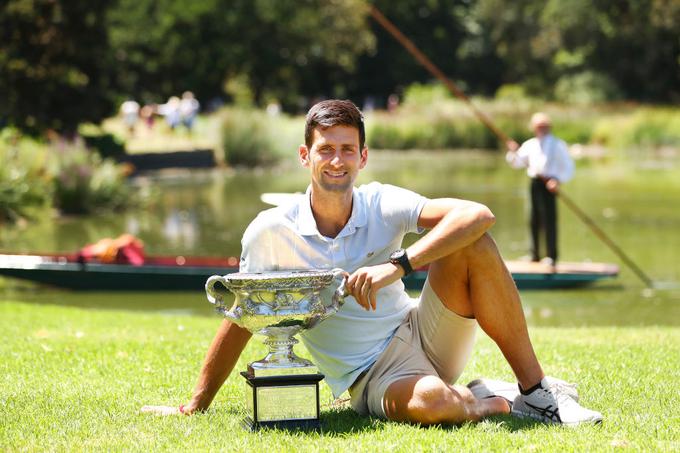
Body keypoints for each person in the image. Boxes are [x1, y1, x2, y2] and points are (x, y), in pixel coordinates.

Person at [142, 100, 601, 426]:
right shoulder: (269, 231)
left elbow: (478, 215)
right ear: (305, 156)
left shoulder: (382, 202)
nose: (336, 161)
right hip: (372, 374)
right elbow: (242, 317)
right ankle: (489, 398)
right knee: (437, 408)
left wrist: (400, 264)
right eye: (325, 149)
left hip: (423, 330)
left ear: (362, 157)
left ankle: (536, 393)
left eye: (347, 150)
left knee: (473, 242)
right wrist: (195, 405)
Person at [506, 113, 575, 267]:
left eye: (544, 126)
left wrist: (557, 180)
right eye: (539, 126)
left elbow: (569, 167)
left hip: (550, 183)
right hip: (535, 183)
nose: (541, 129)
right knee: (533, 218)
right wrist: (513, 151)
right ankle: (534, 254)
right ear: (534, 128)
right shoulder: (530, 144)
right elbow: (517, 163)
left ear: (549, 127)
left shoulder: (558, 144)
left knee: (549, 220)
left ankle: (551, 256)